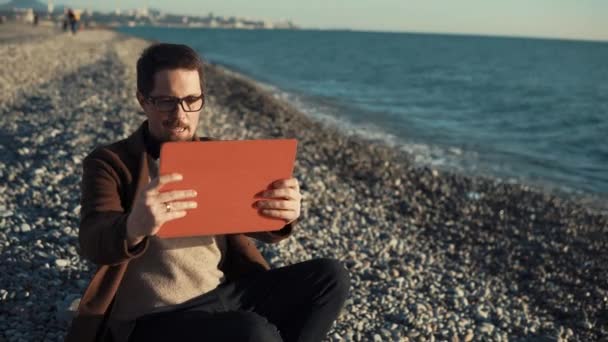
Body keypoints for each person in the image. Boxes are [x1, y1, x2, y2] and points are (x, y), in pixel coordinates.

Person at [65, 43, 350, 342]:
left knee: (331, 277)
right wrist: (134, 226)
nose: (181, 114)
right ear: (143, 101)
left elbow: (260, 222)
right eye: (166, 102)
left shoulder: (216, 154)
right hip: (153, 319)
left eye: (191, 100)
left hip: (220, 295)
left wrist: (283, 213)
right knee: (254, 331)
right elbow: (92, 241)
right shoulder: (112, 162)